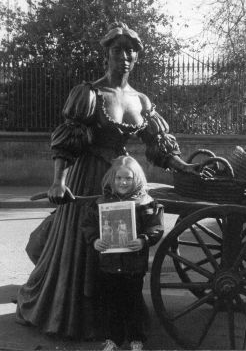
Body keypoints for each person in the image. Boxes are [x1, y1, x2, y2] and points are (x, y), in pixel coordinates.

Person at [16, 21, 200, 339]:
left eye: (131, 51)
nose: (125, 56)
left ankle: (118, 318)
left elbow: (157, 145)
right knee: (84, 244)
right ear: (107, 55)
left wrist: (182, 166)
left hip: (121, 180)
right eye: (118, 50)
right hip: (87, 178)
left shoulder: (141, 101)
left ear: (137, 57)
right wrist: (59, 181)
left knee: (119, 247)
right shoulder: (89, 93)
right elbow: (69, 139)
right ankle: (74, 318)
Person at [82, 155, 164, 351]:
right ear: (112, 178)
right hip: (108, 264)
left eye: (128, 178)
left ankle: (136, 338)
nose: (123, 182)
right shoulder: (101, 202)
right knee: (111, 304)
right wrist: (95, 241)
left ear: (136, 179)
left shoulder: (146, 202)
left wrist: (143, 240)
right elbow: (88, 225)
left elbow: (156, 226)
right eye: (119, 178)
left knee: (133, 302)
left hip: (133, 265)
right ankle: (114, 339)